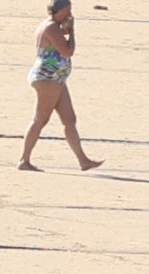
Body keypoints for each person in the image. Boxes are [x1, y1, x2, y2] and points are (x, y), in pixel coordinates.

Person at [18, 0, 102, 172]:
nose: (70, 13)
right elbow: (67, 51)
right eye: (68, 10)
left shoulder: (54, 26)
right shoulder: (50, 27)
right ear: (61, 10)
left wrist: (66, 29)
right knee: (40, 119)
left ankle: (83, 160)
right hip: (47, 78)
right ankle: (23, 160)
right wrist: (72, 33)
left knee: (69, 119)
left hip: (56, 78)